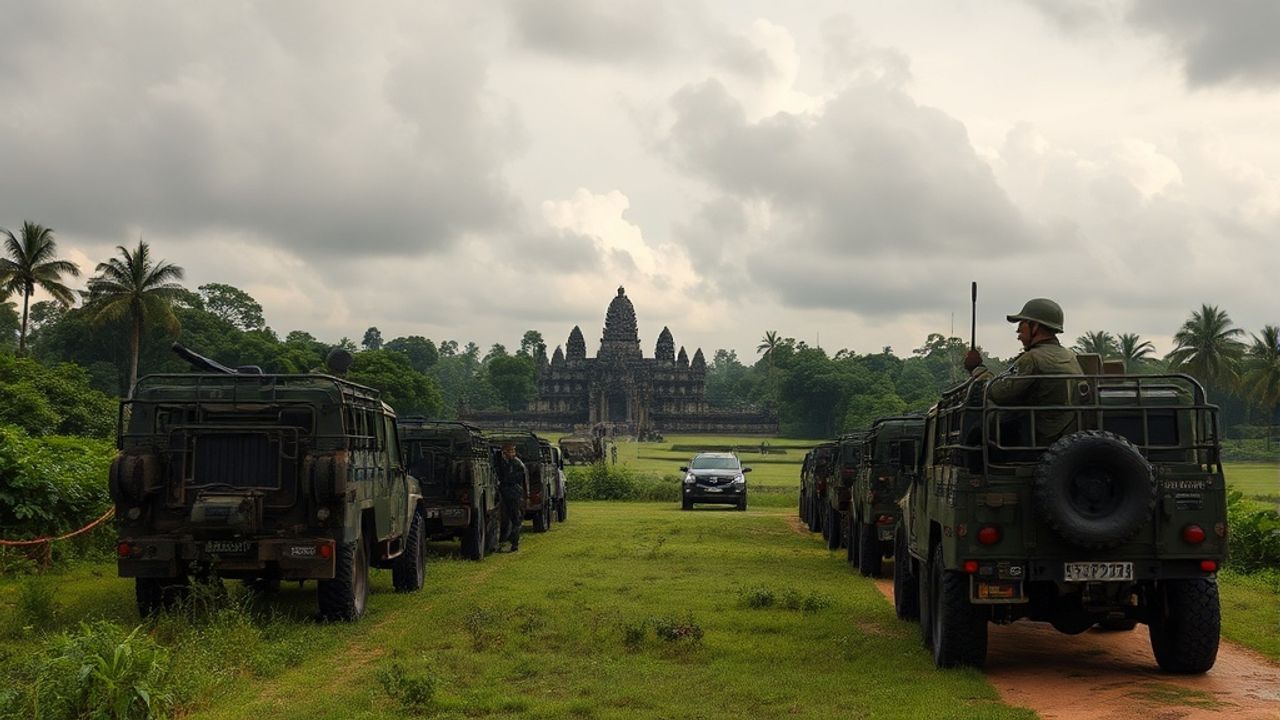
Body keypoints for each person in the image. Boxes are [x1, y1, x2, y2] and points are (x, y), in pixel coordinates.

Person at [964, 298, 1083, 447]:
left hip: (1034, 437)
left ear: (1036, 327)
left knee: (976, 414)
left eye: (1022, 324)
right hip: (1063, 436)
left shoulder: (1032, 358)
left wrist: (977, 370)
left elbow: (998, 394)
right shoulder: (1070, 356)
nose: (1018, 331)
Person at [496, 442, 528, 552]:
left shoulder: (517, 464)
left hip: (513, 493)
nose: (509, 453)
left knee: (515, 520)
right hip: (505, 493)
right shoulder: (503, 462)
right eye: (507, 452)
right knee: (505, 520)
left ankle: (514, 543)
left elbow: (513, 479)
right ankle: (504, 542)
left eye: (511, 451)